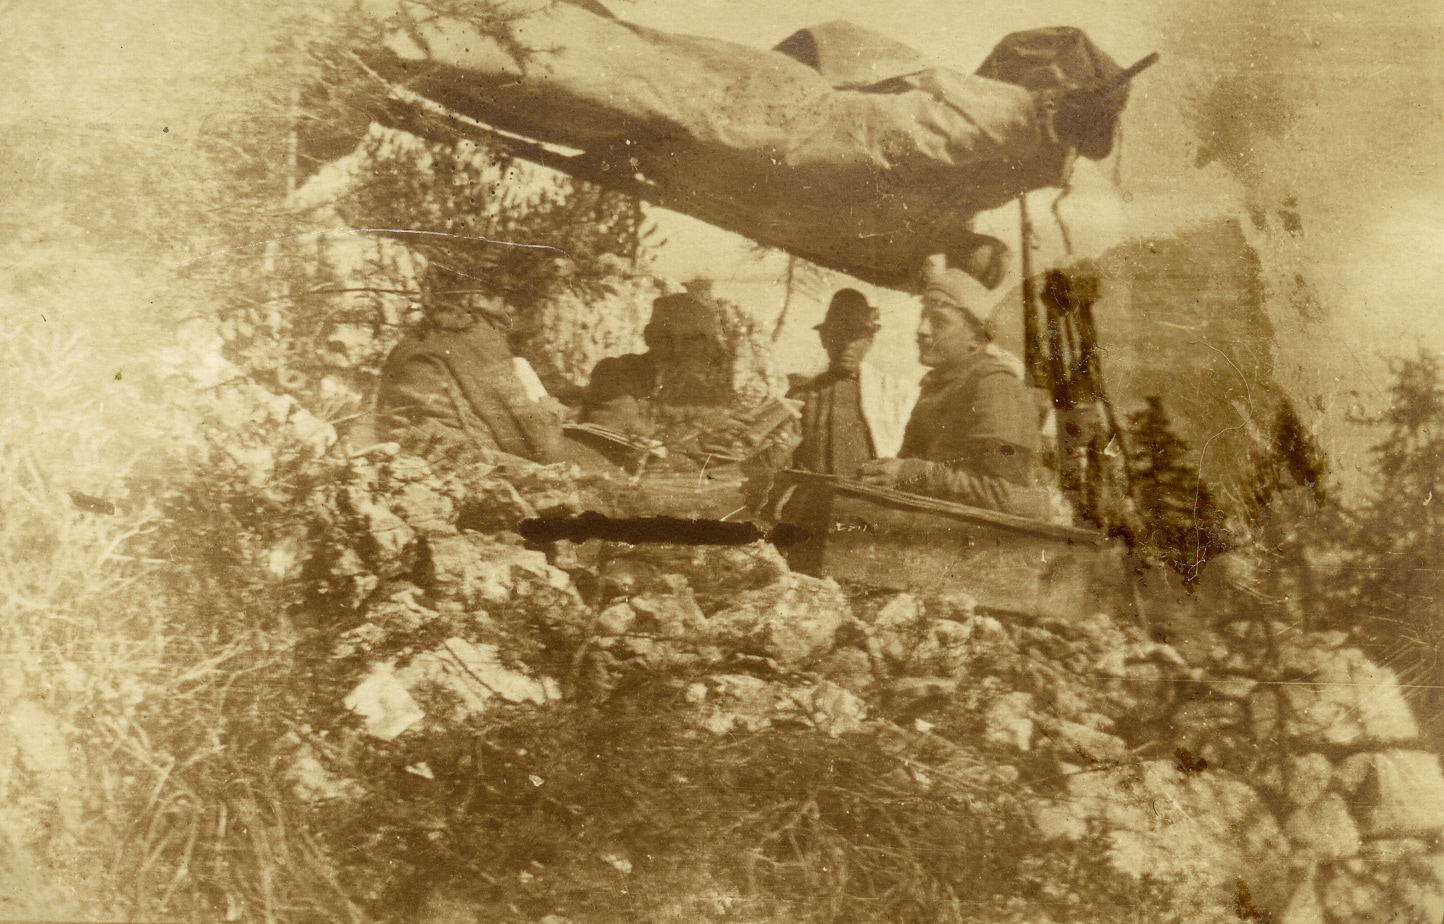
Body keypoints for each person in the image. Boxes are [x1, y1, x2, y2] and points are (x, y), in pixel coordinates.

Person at [856, 269, 1050, 518]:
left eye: (938, 321)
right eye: (923, 317)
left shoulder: (995, 386)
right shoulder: (940, 385)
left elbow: (1009, 496)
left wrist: (913, 474)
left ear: (975, 336)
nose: (922, 330)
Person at [376, 266, 576, 464]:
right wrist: (552, 412)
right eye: (501, 296)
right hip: (452, 458)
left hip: (402, 452)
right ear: (474, 297)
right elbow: (534, 441)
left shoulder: (410, 341)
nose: (509, 309)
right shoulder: (475, 335)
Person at [787, 289, 918, 477]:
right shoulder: (801, 395)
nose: (846, 345)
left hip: (865, 499)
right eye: (838, 335)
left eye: (855, 337)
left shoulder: (892, 394)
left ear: (869, 342)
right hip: (812, 498)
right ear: (824, 339)